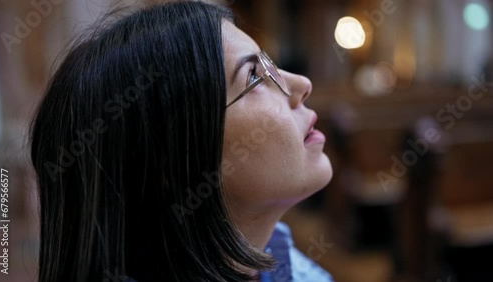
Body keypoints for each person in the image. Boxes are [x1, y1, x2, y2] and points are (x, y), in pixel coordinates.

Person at [29, 1, 333, 281]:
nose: (301, 84)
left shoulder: (282, 260)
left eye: (271, 65)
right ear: (168, 162)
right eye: (253, 77)